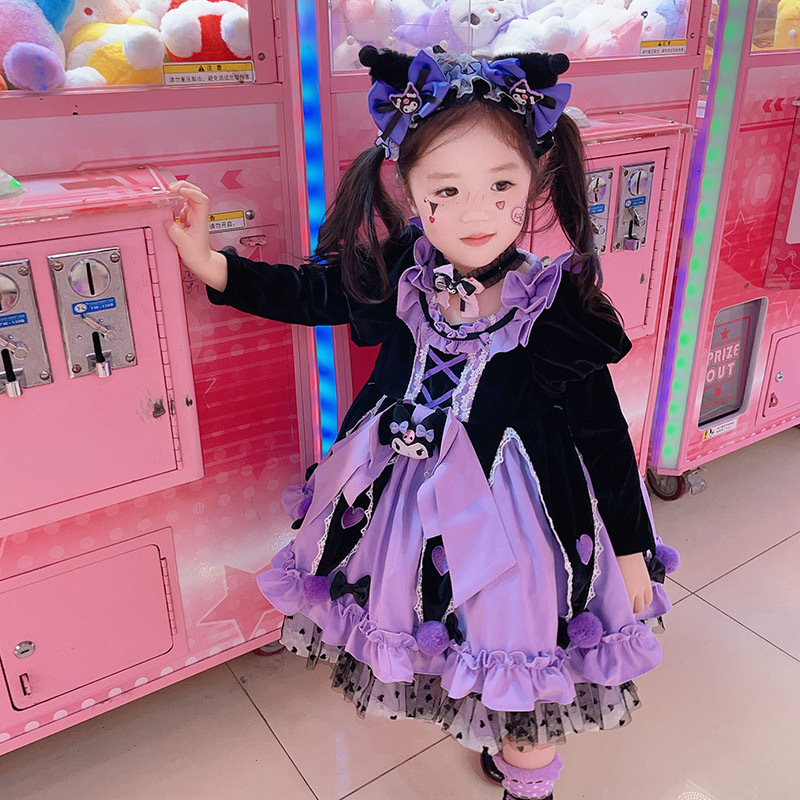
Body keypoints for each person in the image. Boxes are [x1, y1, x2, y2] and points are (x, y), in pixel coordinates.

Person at [167, 45, 678, 800]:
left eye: (501, 185)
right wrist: (213, 264)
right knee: (425, 619)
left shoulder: (553, 306)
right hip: (401, 501)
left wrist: (631, 552)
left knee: (517, 648)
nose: (476, 213)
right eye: (447, 189)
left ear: (534, 180)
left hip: (517, 524)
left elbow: (602, 434)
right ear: (407, 189)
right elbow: (314, 294)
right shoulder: (403, 272)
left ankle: (527, 778)